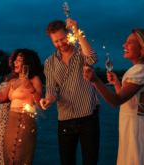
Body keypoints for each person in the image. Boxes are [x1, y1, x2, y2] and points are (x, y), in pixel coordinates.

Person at [83, 28, 144, 165]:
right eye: (126, 42)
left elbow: (116, 101)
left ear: (142, 50)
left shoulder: (141, 70)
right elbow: (128, 102)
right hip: (133, 132)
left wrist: (95, 80)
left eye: (130, 42)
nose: (124, 45)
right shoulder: (141, 70)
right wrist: (117, 85)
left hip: (138, 135)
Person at [39, 19, 101, 165]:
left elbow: (93, 58)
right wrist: (48, 100)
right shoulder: (49, 62)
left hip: (89, 118)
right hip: (65, 120)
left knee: (90, 162)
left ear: (68, 34)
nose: (60, 43)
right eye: (56, 41)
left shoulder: (81, 51)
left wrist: (77, 31)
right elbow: (52, 90)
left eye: (62, 39)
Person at [0, 49, 43, 165]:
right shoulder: (12, 81)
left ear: (27, 62)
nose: (15, 62)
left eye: (19, 60)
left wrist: (31, 88)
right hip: (10, 123)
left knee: (20, 158)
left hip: (25, 121)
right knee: (8, 157)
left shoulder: (34, 79)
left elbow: (40, 103)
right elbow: (1, 98)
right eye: (15, 60)